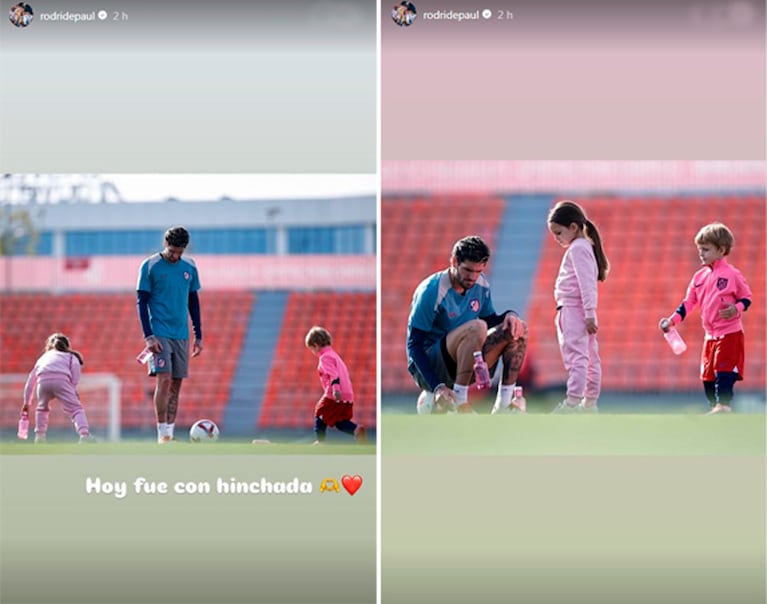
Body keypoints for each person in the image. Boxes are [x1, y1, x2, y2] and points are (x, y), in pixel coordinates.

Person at [406, 235, 528, 414]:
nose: (472, 277)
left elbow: (491, 320)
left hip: (463, 360)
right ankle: (460, 400)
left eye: (478, 271)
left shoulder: (481, 285)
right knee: (477, 327)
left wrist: (510, 315)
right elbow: (414, 345)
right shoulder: (432, 291)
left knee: (518, 328)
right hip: (432, 365)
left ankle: (504, 406)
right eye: (468, 270)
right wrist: (437, 386)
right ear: (454, 261)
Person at [659, 222, 752, 414]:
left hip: (729, 332)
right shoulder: (698, 277)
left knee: (723, 369)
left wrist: (736, 308)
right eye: (699, 249)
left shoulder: (732, 274)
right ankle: (715, 407)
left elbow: (747, 298)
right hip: (710, 335)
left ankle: (724, 406)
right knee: (707, 375)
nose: (701, 253)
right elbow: (688, 303)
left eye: (706, 249)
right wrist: (671, 321)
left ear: (721, 250)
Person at [136, 226, 203, 443]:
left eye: (180, 252)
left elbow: (193, 302)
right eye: (172, 251)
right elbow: (141, 302)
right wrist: (148, 336)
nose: (175, 256)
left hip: (181, 334)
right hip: (160, 332)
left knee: (176, 384)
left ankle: (170, 434)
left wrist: (198, 335)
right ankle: (162, 434)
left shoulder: (189, 267)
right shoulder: (150, 266)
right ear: (165, 244)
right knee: (163, 380)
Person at [547, 201, 609, 413]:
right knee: (589, 357)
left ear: (573, 227)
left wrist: (590, 313)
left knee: (578, 358)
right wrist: (590, 313)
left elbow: (586, 283)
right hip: (580, 310)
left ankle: (572, 403)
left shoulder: (578, 248)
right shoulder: (583, 248)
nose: (557, 239)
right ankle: (589, 403)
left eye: (558, 233)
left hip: (574, 310)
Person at [21, 333, 95, 443]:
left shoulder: (43, 358)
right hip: (61, 381)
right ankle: (84, 435)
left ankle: (40, 437)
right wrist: (72, 389)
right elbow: (75, 372)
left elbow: (30, 380)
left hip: (43, 382)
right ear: (67, 346)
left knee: (41, 408)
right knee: (76, 409)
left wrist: (27, 402)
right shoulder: (71, 356)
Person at [305, 326, 366, 444]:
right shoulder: (334, 355)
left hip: (335, 393)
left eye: (312, 349)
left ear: (316, 345)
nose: (313, 352)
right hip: (348, 394)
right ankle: (356, 430)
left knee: (319, 412)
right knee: (339, 421)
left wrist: (336, 390)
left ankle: (320, 441)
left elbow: (333, 375)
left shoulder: (325, 358)